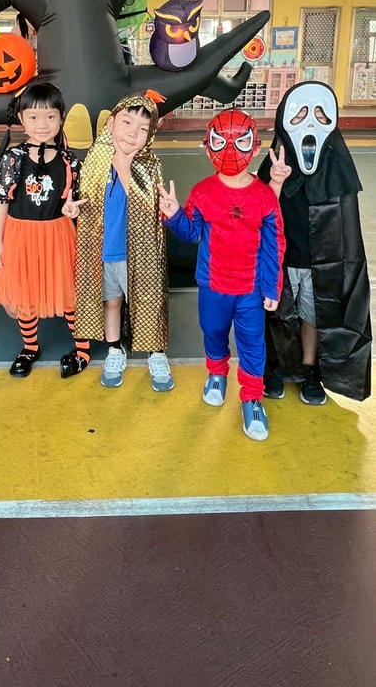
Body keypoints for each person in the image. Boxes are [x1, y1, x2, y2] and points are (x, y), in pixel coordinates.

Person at [159, 108, 286, 440]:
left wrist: (271, 287)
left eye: (239, 143)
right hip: (213, 285)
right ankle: (217, 373)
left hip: (250, 290)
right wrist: (174, 215)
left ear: (254, 148)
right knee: (213, 332)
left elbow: (274, 243)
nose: (230, 151)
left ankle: (252, 397)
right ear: (208, 147)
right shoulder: (202, 192)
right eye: (221, 142)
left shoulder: (264, 196)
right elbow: (191, 233)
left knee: (252, 344)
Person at [258, 81, 371, 404]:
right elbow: (260, 213)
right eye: (300, 114)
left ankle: (310, 372)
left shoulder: (338, 166)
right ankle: (275, 369)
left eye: (320, 114)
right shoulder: (273, 163)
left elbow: (347, 232)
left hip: (318, 266)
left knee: (312, 316)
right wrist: (276, 180)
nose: (310, 122)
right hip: (280, 261)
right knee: (275, 316)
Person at [0, 81, 90, 377]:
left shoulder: (69, 162)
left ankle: (82, 349)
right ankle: (30, 347)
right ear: (21, 119)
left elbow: (75, 201)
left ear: (61, 118)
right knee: (24, 294)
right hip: (20, 237)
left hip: (58, 236)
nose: (42, 124)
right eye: (33, 117)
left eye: (50, 116)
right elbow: (1, 202)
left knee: (69, 295)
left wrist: (72, 209)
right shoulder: (12, 159)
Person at [67, 91, 173, 392]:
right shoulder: (95, 161)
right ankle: (115, 349)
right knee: (111, 301)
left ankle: (156, 353)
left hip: (139, 254)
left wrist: (125, 165)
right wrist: (74, 209)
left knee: (147, 302)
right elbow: (88, 201)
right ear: (111, 123)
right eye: (127, 123)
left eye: (143, 129)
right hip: (105, 250)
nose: (133, 133)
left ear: (150, 136)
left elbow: (145, 206)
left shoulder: (149, 165)